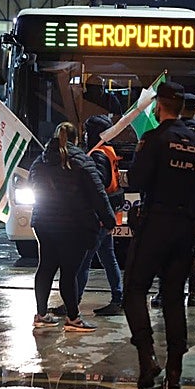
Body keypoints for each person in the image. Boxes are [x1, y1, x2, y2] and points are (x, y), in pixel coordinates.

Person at [124, 81, 195, 389]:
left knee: (135, 290)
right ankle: (175, 371)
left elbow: (136, 180)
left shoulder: (154, 139)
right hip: (185, 228)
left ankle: (147, 357)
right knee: (174, 297)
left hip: (156, 223)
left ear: (159, 107)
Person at [29, 121, 115, 332]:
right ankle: (73, 319)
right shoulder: (82, 162)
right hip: (75, 224)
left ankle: (41, 314)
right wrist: (109, 220)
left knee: (46, 266)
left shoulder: (40, 161)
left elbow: (32, 185)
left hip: (44, 222)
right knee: (69, 272)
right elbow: (98, 194)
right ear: (77, 139)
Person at [152, 93, 195, 307]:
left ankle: (164, 295)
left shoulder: (165, 133)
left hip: (165, 203)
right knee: (193, 250)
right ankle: (194, 294)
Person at [73, 114, 124, 316]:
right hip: (107, 212)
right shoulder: (107, 150)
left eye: (87, 132)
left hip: (98, 216)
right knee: (108, 257)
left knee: (83, 259)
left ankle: (72, 301)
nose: (85, 136)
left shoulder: (97, 155)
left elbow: (98, 187)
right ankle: (118, 299)